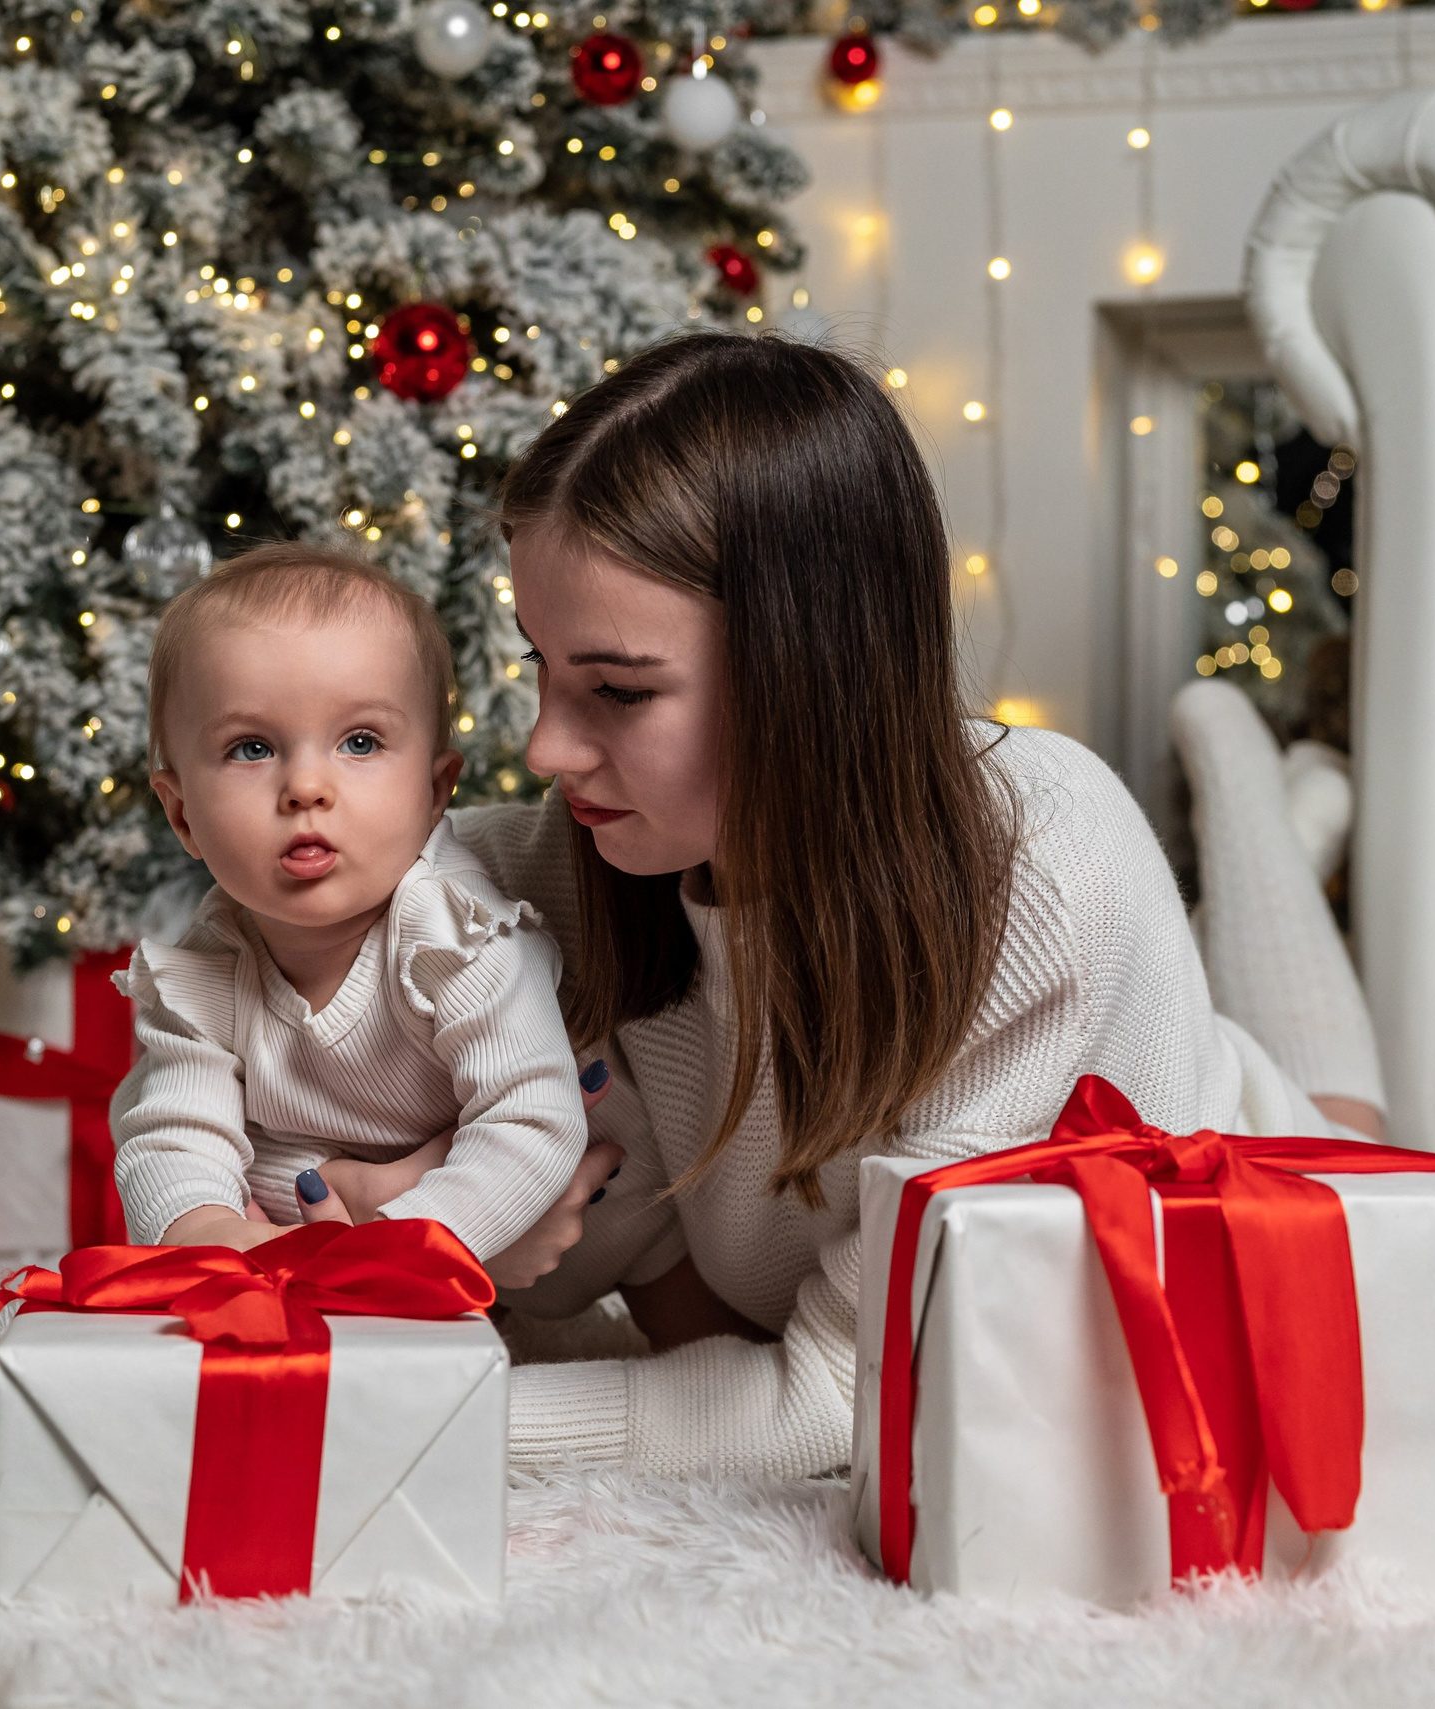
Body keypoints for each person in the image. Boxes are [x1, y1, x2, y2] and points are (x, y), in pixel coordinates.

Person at [448, 332, 1385, 1478]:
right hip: (861, 1223)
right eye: (538, 665)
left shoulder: (1036, 875)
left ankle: (1259, 795)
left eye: (618, 690)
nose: (546, 746)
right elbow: (269, 944)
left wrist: (418, 1423)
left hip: (1254, 1158)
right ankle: (1280, 816)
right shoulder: (586, 843)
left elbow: (845, 1399)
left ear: (808, 665)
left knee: (1347, 1124)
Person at [108, 544, 603, 1289]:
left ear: (436, 791)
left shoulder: (456, 936)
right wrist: (208, 1235)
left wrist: (394, 1245)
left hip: (566, 1232)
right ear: (181, 814)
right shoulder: (206, 971)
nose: (306, 785)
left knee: (680, 1324)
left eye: (360, 742)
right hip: (341, 1256)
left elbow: (529, 1117)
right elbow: (174, 1133)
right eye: (252, 748)